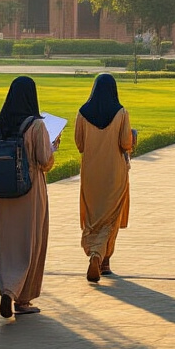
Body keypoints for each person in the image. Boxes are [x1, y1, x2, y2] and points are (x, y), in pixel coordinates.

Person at [0, 76, 57, 319]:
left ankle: (7, 287)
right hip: (29, 191)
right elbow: (44, 160)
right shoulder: (36, 126)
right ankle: (23, 296)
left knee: (7, 243)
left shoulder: (0, 123)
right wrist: (52, 147)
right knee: (30, 241)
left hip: (4, 191)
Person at [74, 73, 134, 283]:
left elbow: (80, 144)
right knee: (111, 216)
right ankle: (101, 257)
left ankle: (95, 253)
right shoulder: (120, 113)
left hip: (91, 173)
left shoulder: (82, 113)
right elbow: (126, 143)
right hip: (114, 172)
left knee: (93, 216)